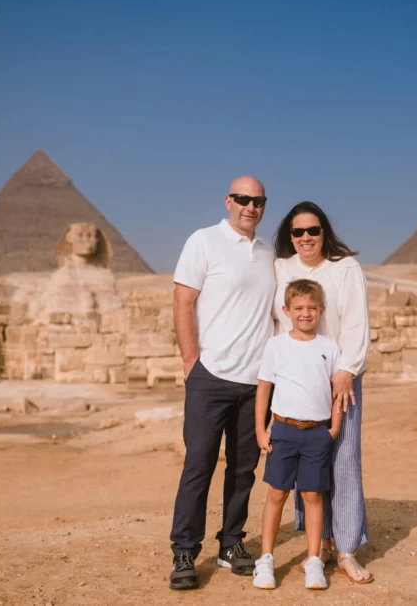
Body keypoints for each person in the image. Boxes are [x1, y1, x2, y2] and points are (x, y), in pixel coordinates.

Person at [168, 176, 276, 590]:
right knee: (198, 465)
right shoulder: (204, 241)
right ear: (228, 200)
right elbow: (183, 299)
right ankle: (184, 550)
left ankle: (231, 542)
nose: (251, 206)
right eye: (243, 199)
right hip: (210, 377)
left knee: (244, 469)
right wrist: (191, 361)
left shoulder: (268, 252)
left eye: (258, 201)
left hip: (256, 381)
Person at [272, 201, 374, 584]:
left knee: (343, 460)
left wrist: (347, 371)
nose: (306, 238)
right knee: (310, 463)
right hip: (299, 379)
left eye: (312, 230)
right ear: (289, 235)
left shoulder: (345, 268)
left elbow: (356, 322)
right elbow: (276, 322)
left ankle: (347, 549)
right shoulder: (281, 269)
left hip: (340, 376)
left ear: (324, 232)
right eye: (297, 231)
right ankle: (322, 543)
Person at [253, 279, 342, 590]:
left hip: (317, 433)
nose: (306, 313)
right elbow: (264, 388)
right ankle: (265, 559)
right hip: (283, 431)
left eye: (312, 308)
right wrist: (260, 429)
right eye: (299, 308)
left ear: (322, 310)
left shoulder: (329, 347)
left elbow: (337, 390)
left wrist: (334, 428)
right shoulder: (276, 345)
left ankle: (314, 560)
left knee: (312, 496)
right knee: (276, 494)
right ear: (286, 310)